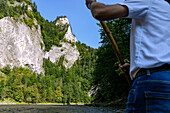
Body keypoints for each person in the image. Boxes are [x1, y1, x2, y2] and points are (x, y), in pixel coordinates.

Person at [85, 0, 170, 112]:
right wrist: (135, 68)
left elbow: (100, 12)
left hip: (151, 83)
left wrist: (91, 3)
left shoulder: (148, 1)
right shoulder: (166, 7)